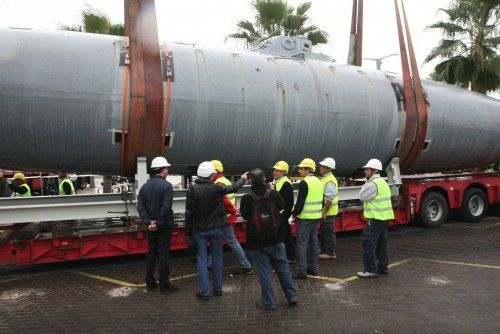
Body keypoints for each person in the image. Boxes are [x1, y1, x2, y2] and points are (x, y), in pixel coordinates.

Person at [185, 161, 248, 301]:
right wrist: (243, 178)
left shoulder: (192, 190)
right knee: (217, 257)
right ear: (211, 175)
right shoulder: (217, 188)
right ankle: (218, 289)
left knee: (202, 258)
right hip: (216, 228)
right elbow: (234, 187)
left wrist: (188, 232)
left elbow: (188, 213)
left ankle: (204, 292)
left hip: (199, 230)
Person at [240, 168, 298, 311]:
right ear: (265, 179)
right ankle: (292, 296)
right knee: (283, 268)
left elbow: (246, 216)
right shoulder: (272, 194)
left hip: (256, 242)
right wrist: (273, 190)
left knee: (264, 272)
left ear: (250, 181)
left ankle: (269, 302)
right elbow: (282, 206)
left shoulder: (247, 198)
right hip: (276, 238)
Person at [137, 156, 179, 293]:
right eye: (167, 168)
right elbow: (166, 208)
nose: (168, 170)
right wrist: (158, 223)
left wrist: (148, 222)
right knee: (164, 254)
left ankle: (150, 283)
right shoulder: (167, 186)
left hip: (151, 226)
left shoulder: (144, 187)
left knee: (151, 253)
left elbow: (140, 207)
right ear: (163, 170)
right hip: (164, 225)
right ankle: (165, 285)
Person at [210, 159, 253, 275]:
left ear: (215, 171)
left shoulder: (218, 183)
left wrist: (232, 210)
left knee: (231, 242)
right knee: (217, 240)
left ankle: (246, 265)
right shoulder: (224, 180)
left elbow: (224, 201)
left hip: (224, 217)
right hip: (226, 216)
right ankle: (210, 263)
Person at [356, 159, 395, 278]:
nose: (365, 172)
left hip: (375, 218)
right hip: (384, 218)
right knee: (382, 244)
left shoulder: (373, 184)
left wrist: (365, 184)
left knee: (368, 243)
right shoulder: (382, 182)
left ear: (374, 171)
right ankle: (383, 267)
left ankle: (370, 270)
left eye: (367, 170)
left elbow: (362, 197)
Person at [291, 158, 324, 279]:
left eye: (301, 168)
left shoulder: (304, 183)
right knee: (314, 243)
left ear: (308, 169)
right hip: (316, 217)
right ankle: (313, 268)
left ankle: (301, 271)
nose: (299, 170)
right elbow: (323, 201)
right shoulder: (319, 182)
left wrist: (293, 215)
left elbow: (300, 203)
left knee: (301, 244)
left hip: (305, 218)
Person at [271, 161, 295, 262]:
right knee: (280, 237)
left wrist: (285, 217)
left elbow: (289, 202)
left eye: (278, 171)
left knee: (286, 237)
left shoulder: (286, 184)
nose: (275, 172)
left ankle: (290, 257)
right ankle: (282, 256)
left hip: (283, 216)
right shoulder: (275, 181)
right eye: (274, 170)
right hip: (277, 215)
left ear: (284, 172)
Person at [318, 158, 338, 260]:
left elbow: (329, 200)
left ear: (328, 168)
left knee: (328, 232)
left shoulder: (330, 181)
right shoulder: (325, 178)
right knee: (324, 232)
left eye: (322, 166)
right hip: (327, 212)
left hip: (329, 212)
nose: (320, 168)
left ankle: (330, 253)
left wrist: (324, 213)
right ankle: (325, 250)